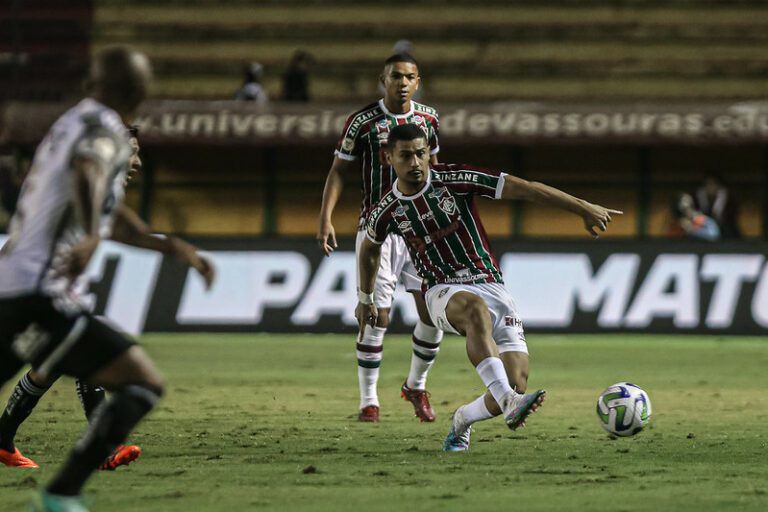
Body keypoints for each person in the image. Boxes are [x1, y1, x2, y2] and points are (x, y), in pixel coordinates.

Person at [0, 46, 212, 512]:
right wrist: (93, 233)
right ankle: (62, 492)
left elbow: (113, 217)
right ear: (140, 92)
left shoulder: (74, 120)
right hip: (41, 293)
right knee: (142, 384)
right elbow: (88, 170)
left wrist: (168, 246)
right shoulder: (105, 129)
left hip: (12, 287)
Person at [357, 124, 622, 451]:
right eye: (406, 155)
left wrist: (581, 206)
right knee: (474, 311)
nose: (415, 162)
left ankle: (463, 419)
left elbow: (525, 189)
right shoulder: (385, 210)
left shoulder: (456, 179)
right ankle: (510, 402)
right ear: (388, 157)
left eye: (421, 153)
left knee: (515, 381)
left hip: (492, 285)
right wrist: (365, 298)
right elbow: (368, 249)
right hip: (442, 290)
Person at [317, 53, 444, 423]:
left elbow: (435, 170)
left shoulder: (430, 119)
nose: (402, 83)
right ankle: (368, 401)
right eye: (395, 77)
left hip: (421, 230)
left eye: (409, 77)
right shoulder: (362, 122)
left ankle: (416, 386)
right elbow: (338, 171)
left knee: (432, 313)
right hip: (379, 229)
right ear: (383, 80)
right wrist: (325, 218)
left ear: (417, 81)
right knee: (376, 315)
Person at [694, 173, 741, 239]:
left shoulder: (729, 198)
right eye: (707, 184)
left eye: (713, 184)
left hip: (725, 232)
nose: (710, 187)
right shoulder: (698, 197)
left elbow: (729, 219)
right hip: (704, 231)